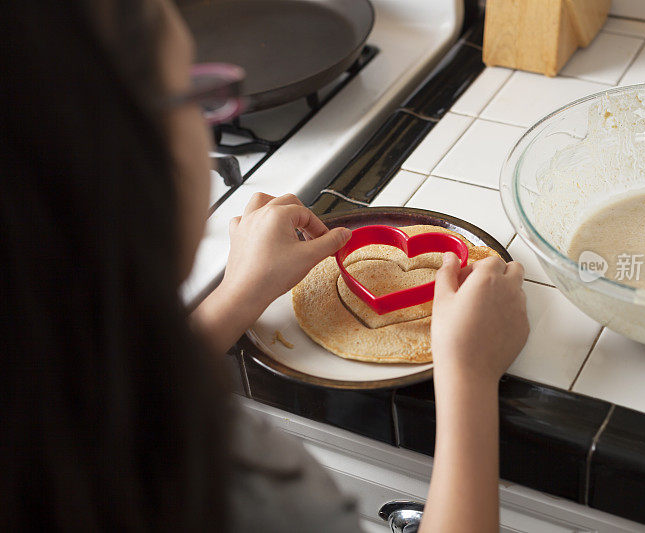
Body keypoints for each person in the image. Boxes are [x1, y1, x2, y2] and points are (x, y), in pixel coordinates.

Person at [0, 0, 530, 531]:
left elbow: (114, 415)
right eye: (195, 95)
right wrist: (469, 379)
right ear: (123, 155)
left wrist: (235, 296)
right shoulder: (242, 495)